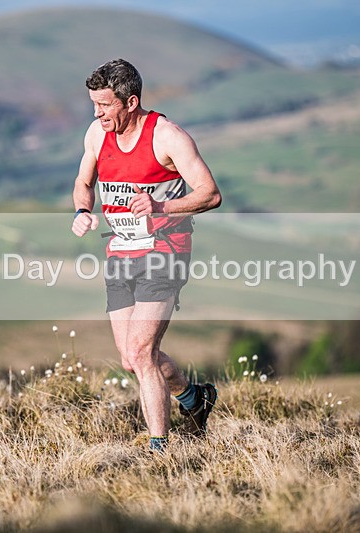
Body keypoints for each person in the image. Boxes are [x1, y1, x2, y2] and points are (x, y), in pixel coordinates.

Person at [70, 59, 222, 451]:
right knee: (132, 358)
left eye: (104, 106)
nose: (97, 113)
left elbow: (210, 193)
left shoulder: (167, 137)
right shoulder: (96, 134)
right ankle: (194, 398)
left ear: (131, 101)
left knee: (141, 351)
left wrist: (161, 209)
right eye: (94, 105)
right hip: (120, 251)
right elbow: (83, 182)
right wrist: (83, 211)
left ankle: (160, 451)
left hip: (165, 251)